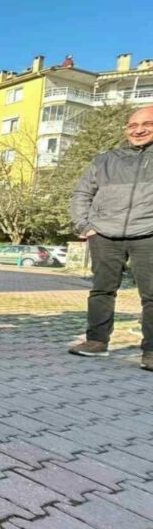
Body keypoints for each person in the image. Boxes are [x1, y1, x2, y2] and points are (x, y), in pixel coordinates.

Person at [68, 105, 153, 371]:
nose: (139, 130)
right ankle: (96, 341)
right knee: (102, 290)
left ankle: (151, 351)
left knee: (151, 295)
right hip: (104, 234)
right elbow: (82, 193)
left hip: (148, 234)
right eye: (133, 125)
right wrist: (85, 226)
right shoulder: (106, 159)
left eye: (147, 124)